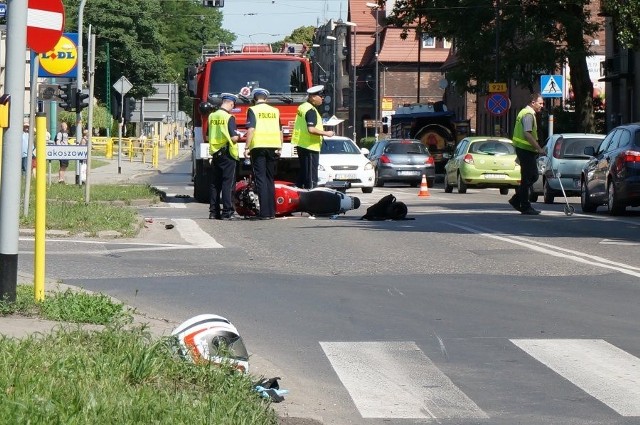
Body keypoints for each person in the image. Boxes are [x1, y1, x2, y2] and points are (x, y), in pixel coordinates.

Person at [244, 88, 282, 220]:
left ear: (254, 99)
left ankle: (264, 212)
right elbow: (280, 130)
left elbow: (251, 129)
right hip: (273, 146)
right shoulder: (275, 111)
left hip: (258, 146)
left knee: (260, 179)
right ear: (266, 99)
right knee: (269, 179)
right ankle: (272, 211)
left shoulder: (253, 110)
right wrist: (280, 146)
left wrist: (247, 147)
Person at [509, 93, 545, 215]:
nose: (542, 106)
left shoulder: (523, 112)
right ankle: (524, 205)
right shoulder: (528, 115)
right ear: (533, 103)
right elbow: (527, 134)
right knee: (532, 176)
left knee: (527, 178)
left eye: (543, 103)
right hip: (525, 150)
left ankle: (518, 201)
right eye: (540, 103)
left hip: (523, 149)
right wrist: (539, 149)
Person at [292, 85, 334, 188]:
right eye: (320, 95)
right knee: (311, 177)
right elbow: (311, 129)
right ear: (312, 97)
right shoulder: (311, 110)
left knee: (304, 173)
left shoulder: (302, 107)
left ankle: (298, 192)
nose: (323, 98)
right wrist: (327, 133)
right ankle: (311, 196)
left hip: (302, 144)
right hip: (310, 146)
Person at [208, 93, 240, 220]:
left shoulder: (212, 116)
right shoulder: (229, 117)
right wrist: (239, 136)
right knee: (228, 183)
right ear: (231, 104)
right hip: (227, 153)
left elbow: (207, 135)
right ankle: (227, 212)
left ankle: (213, 212)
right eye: (233, 106)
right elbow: (233, 138)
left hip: (215, 152)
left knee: (215, 184)